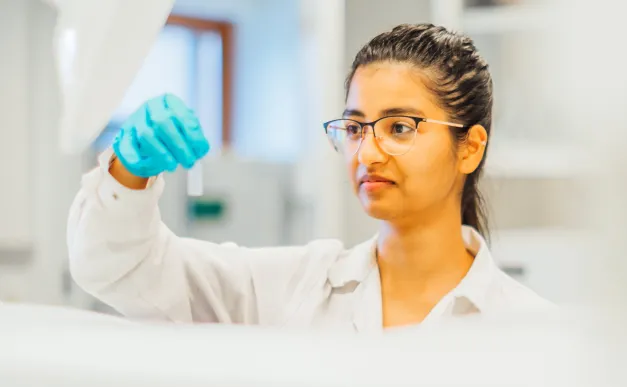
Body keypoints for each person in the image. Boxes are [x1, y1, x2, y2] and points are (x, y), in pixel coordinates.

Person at [68, 23, 550, 330]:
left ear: (470, 147)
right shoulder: (289, 289)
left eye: (399, 127)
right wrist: (128, 169)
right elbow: (122, 270)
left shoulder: (527, 328)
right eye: (355, 127)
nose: (368, 152)